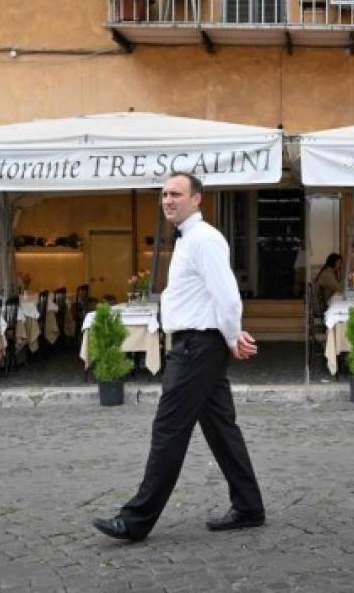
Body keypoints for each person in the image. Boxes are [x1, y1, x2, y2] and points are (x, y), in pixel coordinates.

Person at [93, 172, 265, 541]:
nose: (168, 200)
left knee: (168, 429)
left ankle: (136, 520)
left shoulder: (204, 239)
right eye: (164, 194)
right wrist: (229, 334)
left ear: (197, 199)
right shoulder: (190, 241)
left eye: (176, 194)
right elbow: (206, 297)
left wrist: (233, 335)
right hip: (197, 344)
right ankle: (249, 506)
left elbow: (228, 296)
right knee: (221, 429)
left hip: (196, 348)